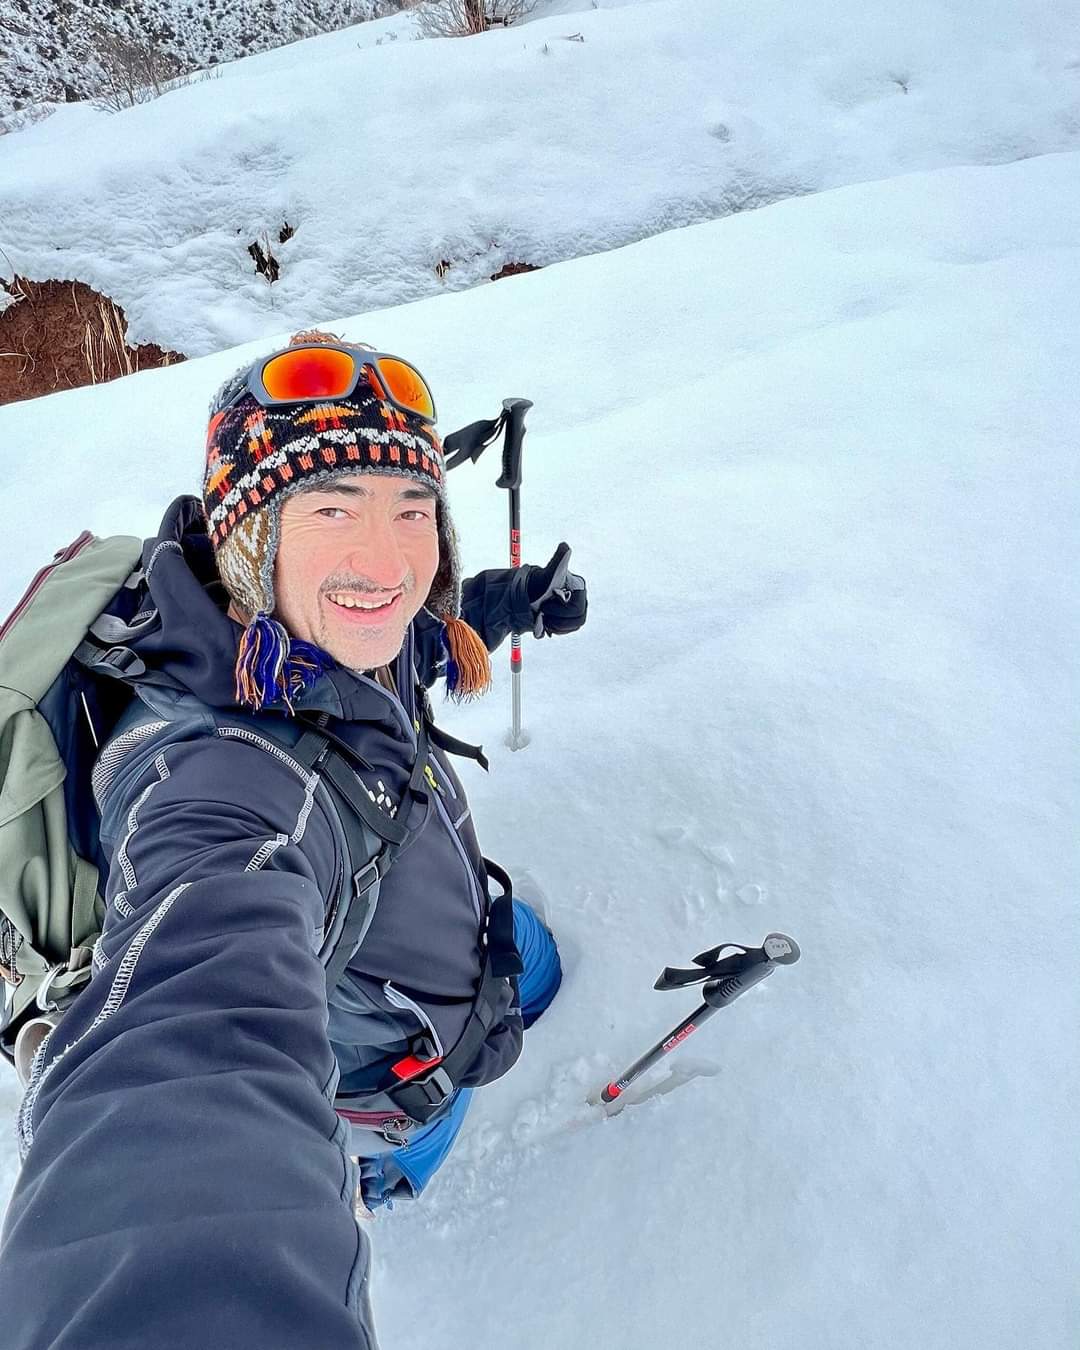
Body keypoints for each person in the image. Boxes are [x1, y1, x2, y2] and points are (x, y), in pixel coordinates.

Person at [0, 331, 587, 1349]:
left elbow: (400, 642)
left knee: (540, 969)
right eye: (332, 509)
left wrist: (503, 603)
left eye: (413, 510)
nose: (387, 561)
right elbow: (190, 1056)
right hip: (396, 1076)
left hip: (480, 943)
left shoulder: (294, 625)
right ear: (250, 537)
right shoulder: (216, 775)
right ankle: (376, 1184)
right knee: (403, 1141)